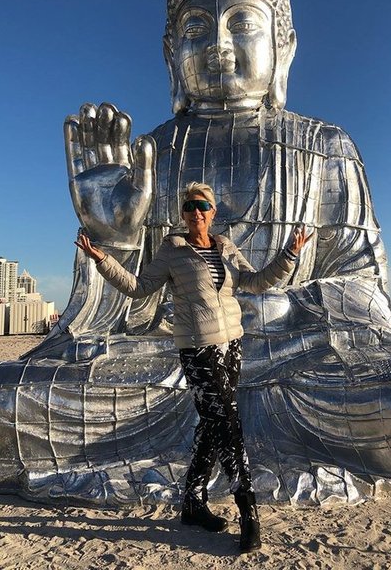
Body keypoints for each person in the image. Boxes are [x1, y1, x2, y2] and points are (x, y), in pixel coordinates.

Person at [0, 0, 391, 515]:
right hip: (171, 355)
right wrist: (112, 236)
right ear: (170, 53)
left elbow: (364, 288)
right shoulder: (150, 154)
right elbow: (124, 307)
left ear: (284, 47)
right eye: (196, 29)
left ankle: (213, 473)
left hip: (295, 357)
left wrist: (281, 310)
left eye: (241, 24)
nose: (218, 45)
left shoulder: (326, 147)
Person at [76, 181, 310, 552]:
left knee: (212, 424)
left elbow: (255, 282)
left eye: (202, 206)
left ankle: (192, 503)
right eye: (189, 207)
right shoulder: (173, 249)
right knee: (228, 423)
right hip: (198, 348)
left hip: (232, 345)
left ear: (213, 212)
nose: (196, 212)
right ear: (183, 215)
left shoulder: (226, 247)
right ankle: (248, 510)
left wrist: (289, 254)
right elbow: (138, 287)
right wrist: (102, 259)